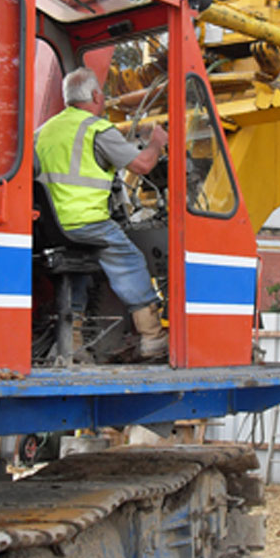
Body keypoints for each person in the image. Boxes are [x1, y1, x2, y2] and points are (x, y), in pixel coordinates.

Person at [35, 67, 169, 360]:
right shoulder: (96, 129)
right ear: (96, 96)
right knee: (130, 260)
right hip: (86, 221)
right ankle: (152, 337)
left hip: (49, 228)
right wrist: (157, 141)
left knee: (81, 267)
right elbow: (144, 166)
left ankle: (72, 343)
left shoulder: (43, 131)